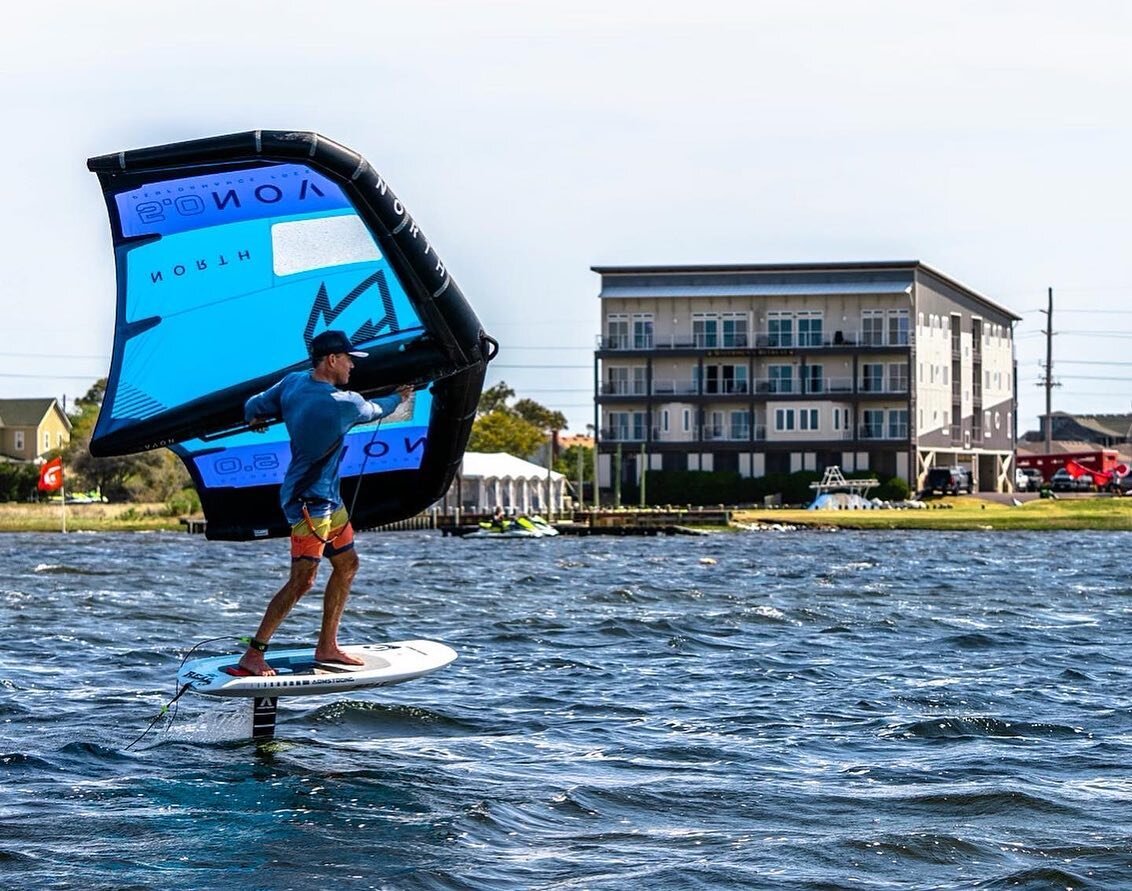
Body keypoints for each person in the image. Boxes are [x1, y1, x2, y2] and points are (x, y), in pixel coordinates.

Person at [233, 329, 411, 676]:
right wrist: (400, 396)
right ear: (332, 360)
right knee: (303, 580)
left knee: (348, 565)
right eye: (348, 360)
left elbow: (253, 405)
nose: (352, 368)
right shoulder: (342, 403)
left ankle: (327, 645)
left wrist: (254, 418)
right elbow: (377, 409)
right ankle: (253, 654)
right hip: (309, 504)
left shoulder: (293, 383)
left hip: (330, 500)